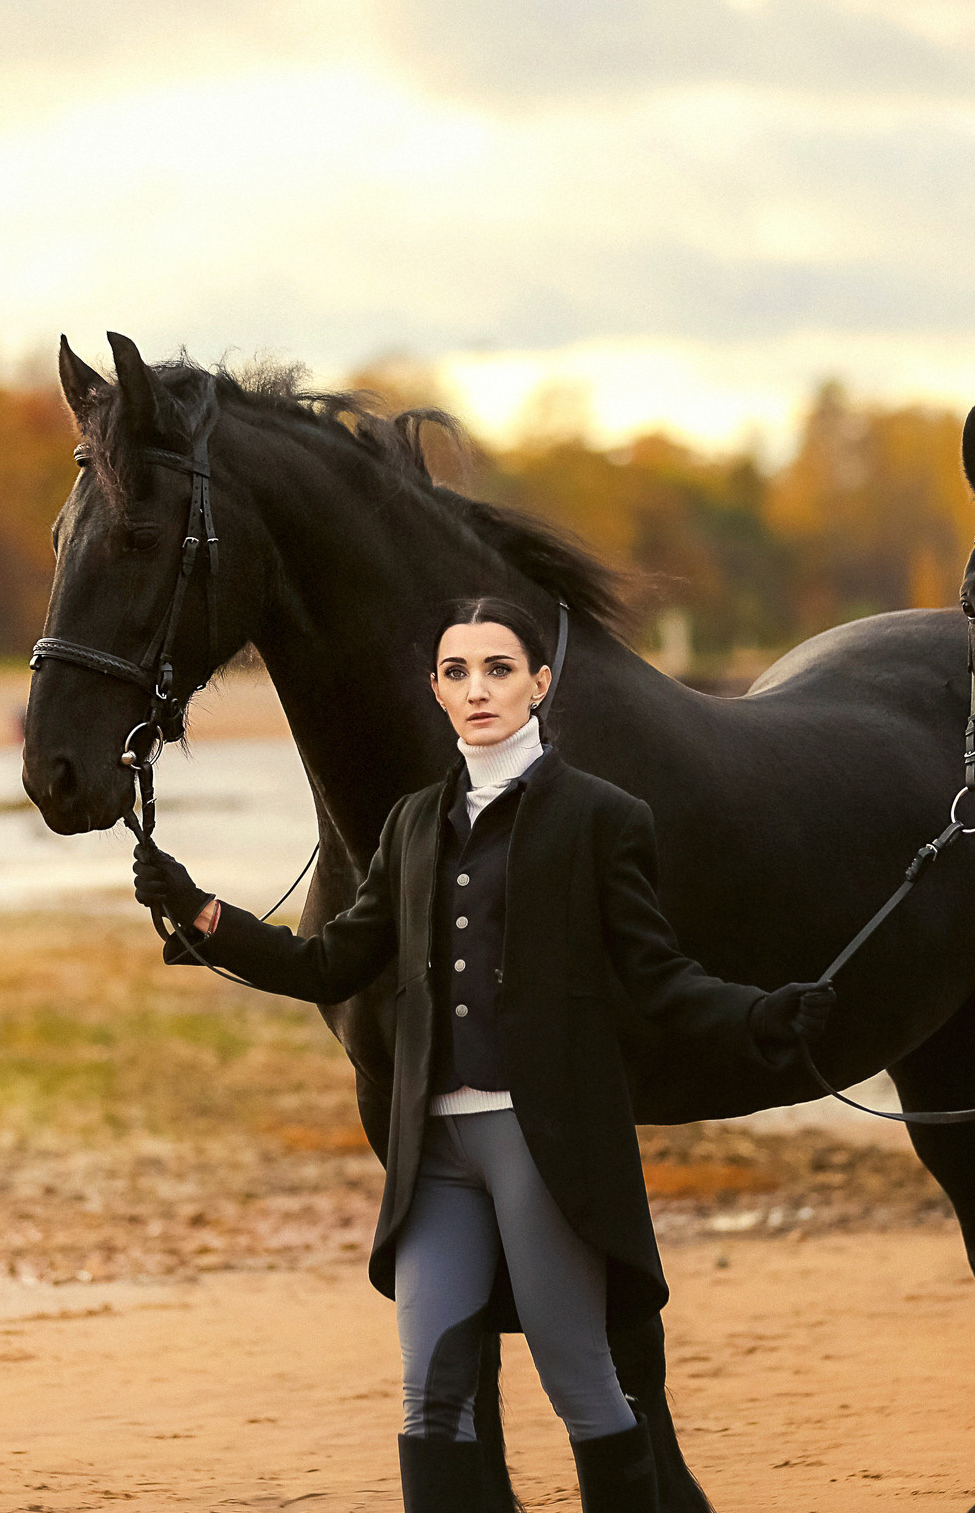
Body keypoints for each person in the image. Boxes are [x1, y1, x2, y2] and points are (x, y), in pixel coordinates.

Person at [132, 596, 832, 1513]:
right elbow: (333, 962)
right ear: (434, 690)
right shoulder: (411, 825)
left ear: (541, 685)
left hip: (542, 1145)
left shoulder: (602, 819)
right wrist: (207, 916)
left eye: (499, 668)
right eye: (457, 672)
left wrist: (761, 1017)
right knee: (432, 1399)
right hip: (436, 1158)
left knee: (581, 1383)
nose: (478, 689)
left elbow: (659, 981)